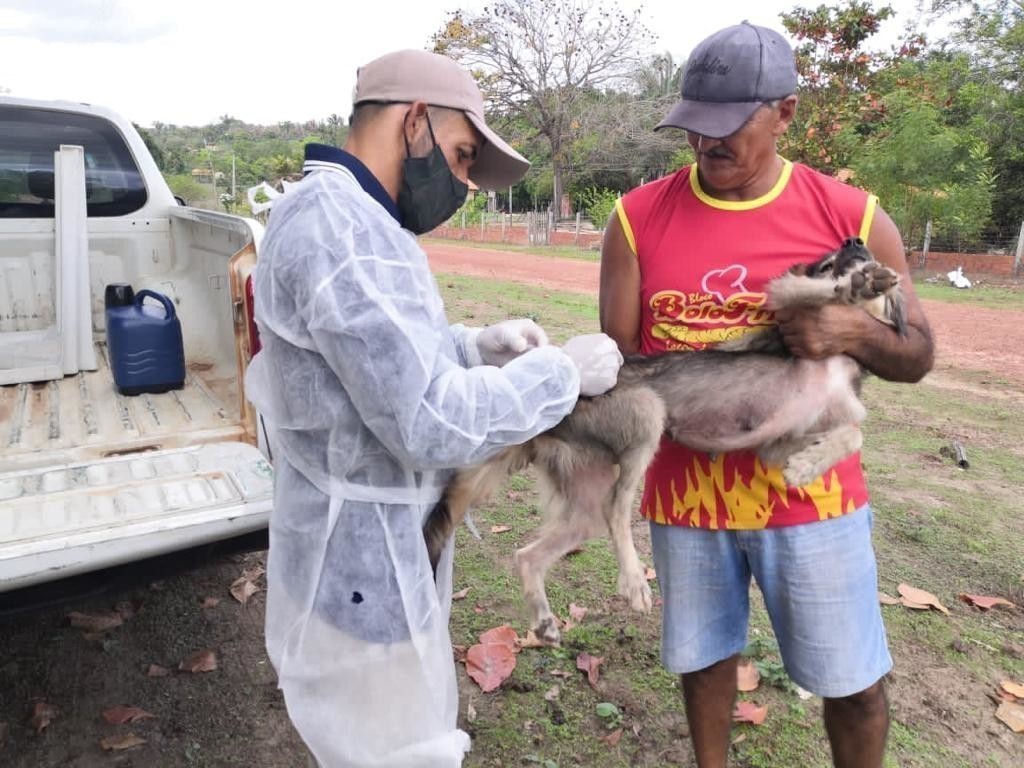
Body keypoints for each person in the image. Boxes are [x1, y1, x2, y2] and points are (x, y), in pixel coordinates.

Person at [244, 49, 623, 768]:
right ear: (413, 120)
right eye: (459, 156)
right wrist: (559, 375)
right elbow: (426, 420)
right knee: (392, 748)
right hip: (360, 560)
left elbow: (373, 357)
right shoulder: (343, 228)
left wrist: (475, 347)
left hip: (359, 542)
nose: (462, 184)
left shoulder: (344, 218)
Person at [599, 22, 934, 768]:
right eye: (693, 128)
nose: (705, 146)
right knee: (705, 660)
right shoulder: (635, 218)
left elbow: (916, 355)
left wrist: (852, 331)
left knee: (852, 684)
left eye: (726, 129)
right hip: (688, 497)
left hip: (812, 499)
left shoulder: (851, 216)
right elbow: (623, 361)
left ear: (784, 112)